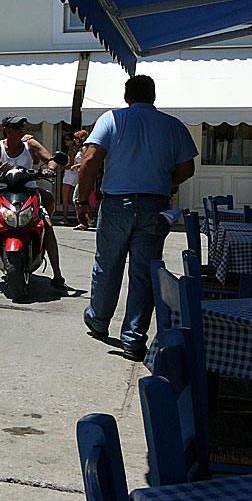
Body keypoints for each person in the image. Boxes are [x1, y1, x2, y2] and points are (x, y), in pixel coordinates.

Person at [76, 75, 197, 362]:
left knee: (108, 264)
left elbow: (90, 160)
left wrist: (82, 200)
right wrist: (166, 183)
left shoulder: (112, 119)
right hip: (154, 204)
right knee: (143, 273)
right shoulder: (171, 125)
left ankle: (99, 319)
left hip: (117, 203)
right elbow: (187, 168)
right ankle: (133, 338)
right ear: (153, 96)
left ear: (127, 96)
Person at [0, 114, 67, 290]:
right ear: (5, 130)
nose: (20, 130)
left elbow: (50, 159)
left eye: (22, 126)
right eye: (16, 127)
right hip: (3, 190)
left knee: (47, 224)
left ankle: (57, 274)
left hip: (28, 189)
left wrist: (49, 169)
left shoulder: (30, 144)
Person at [70, 129, 95, 230]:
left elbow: (87, 161)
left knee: (76, 199)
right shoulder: (80, 148)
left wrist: (76, 165)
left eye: (76, 138)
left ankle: (86, 220)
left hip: (83, 176)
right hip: (80, 175)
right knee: (79, 199)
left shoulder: (85, 148)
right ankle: (87, 220)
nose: (74, 140)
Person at [58, 132, 78, 226]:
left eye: (67, 139)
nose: (65, 141)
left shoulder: (71, 151)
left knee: (65, 198)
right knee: (71, 198)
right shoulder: (75, 150)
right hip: (73, 175)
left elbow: (71, 165)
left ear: (72, 141)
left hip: (70, 175)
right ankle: (83, 215)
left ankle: (65, 218)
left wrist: (63, 167)